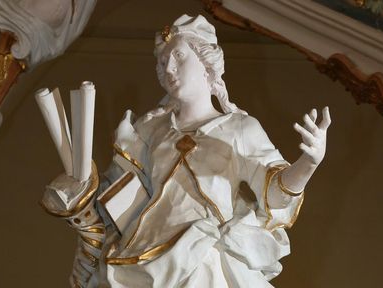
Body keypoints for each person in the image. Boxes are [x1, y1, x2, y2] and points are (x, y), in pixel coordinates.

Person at [41, 14, 331, 288]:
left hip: (203, 259)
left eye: (179, 57)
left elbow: (274, 193)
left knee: (205, 265)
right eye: (163, 61)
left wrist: (309, 162)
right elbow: (116, 195)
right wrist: (80, 192)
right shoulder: (150, 129)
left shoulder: (239, 128)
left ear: (206, 63)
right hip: (143, 256)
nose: (168, 69)